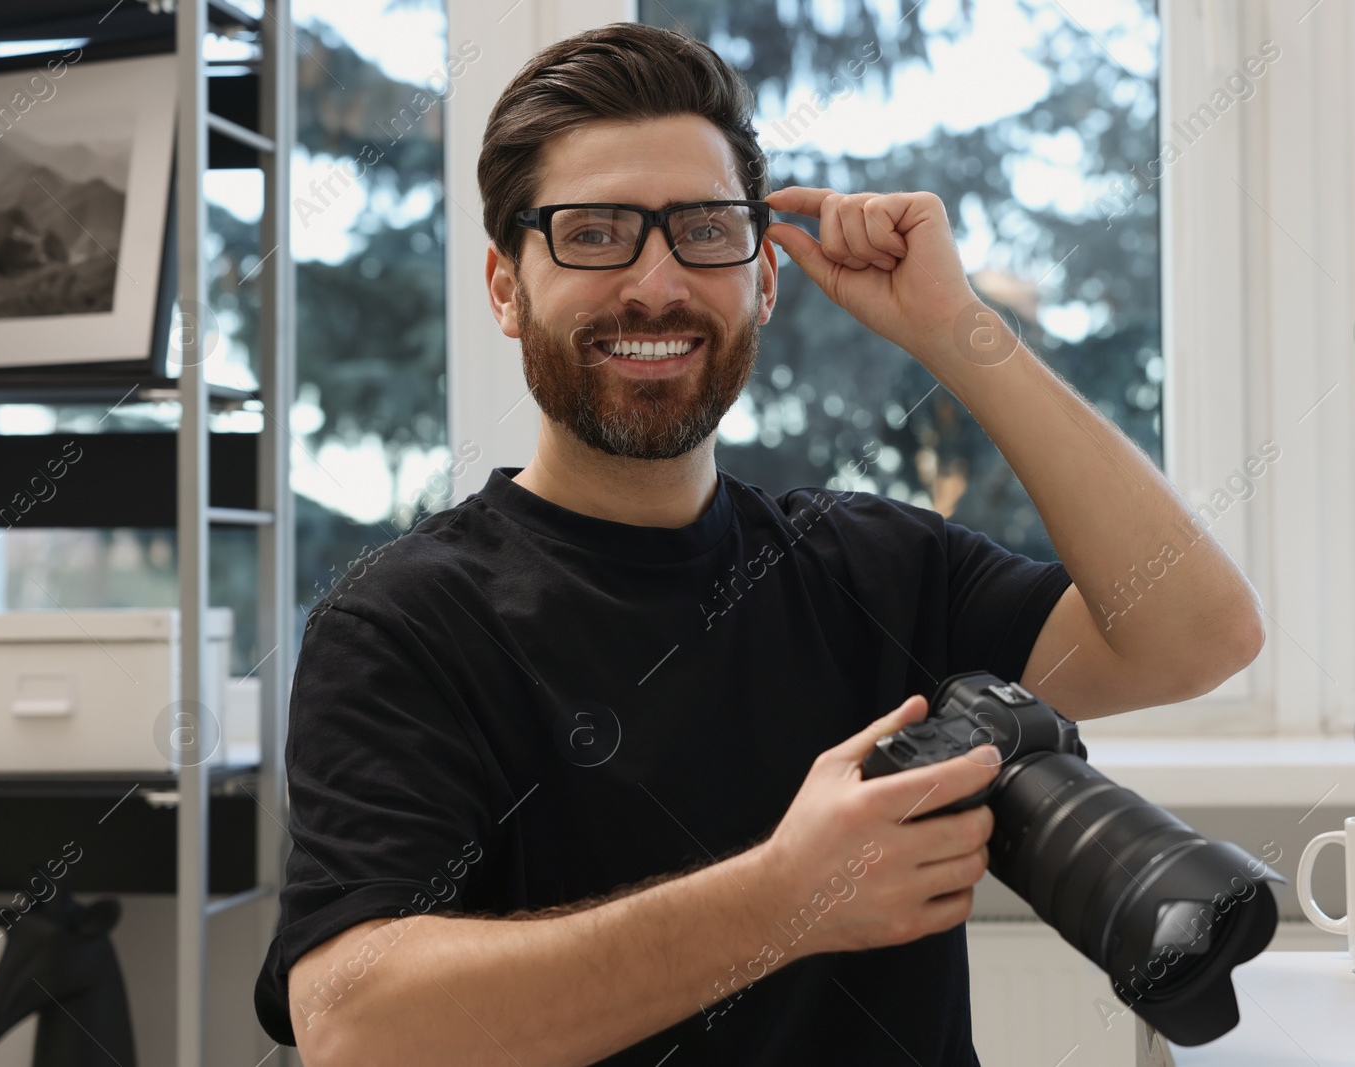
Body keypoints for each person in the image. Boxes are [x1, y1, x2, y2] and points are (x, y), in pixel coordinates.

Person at [253, 21, 1265, 1067]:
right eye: (595, 232)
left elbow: (1196, 634)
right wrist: (784, 898)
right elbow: (356, 1024)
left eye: (702, 228)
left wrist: (951, 326)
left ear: (765, 279)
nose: (655, 282)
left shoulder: (876, 567)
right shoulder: (401, 626)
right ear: (506, 287)